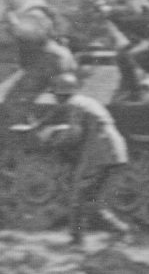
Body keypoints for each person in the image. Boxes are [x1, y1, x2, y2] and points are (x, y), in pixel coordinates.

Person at [36, 72, 131, 247]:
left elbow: (74, 134)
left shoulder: (74, 105)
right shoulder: (86, 102)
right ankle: (120, 232)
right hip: (115, 150)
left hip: (99, 153)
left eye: (56, 94)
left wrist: (51, 141)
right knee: (93, 200)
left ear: (60, 94)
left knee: (79, 195)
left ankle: (78, 239)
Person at [2, 0, 77, 125]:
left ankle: (30, 138)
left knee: (15, 101)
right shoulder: (37, 11)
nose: (7, 5)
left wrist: (14, 25)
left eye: (9, 1)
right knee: (64, 103)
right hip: (56, 59)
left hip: (48, 61)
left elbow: (35, 36)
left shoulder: (33, 13)